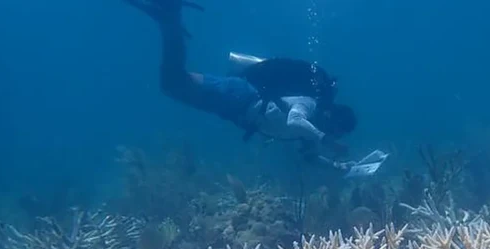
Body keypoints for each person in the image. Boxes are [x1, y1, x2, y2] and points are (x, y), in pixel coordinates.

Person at [123, 0, 357, 170]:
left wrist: (342, 167)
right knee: (174, 82)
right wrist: (326, 139)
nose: (333, 134)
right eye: (336, 130)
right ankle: (170, 16)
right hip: (241, 95)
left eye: (337, 134)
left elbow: (310, 158)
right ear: (331, 115)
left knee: (172, 85)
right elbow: (294, 120)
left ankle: (169, 18)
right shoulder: (309, 105)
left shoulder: (311, 131)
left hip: (237, 111)